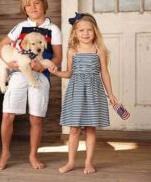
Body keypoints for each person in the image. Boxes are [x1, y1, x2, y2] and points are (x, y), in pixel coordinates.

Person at [0, 0, 62, 170]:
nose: (32, 7)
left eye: (36, 3)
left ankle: (33, 155)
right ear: (24, 8)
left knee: (36, 118)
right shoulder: (20, 27)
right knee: (8, 114)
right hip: (18, 74)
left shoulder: (53, 29)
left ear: (44, 4)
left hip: (40, 76)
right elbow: (1, 47)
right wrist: (10, 63)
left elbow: (58, 57)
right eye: (28, 4)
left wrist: (43, 65)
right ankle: (5, 153)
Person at [49, 12, 117, 174]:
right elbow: (69, 73)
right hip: (76, 92)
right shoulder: (72, 50)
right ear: (75, 33)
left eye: (89, 30)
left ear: (95, 32)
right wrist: (57, 72)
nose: (85, 33)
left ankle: (88, 163)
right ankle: (71, 162)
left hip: (94, 92)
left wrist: (111, 95)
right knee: (74, 129)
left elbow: (104, 74)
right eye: (81, 30)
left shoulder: (99, 50)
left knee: (90, 128)